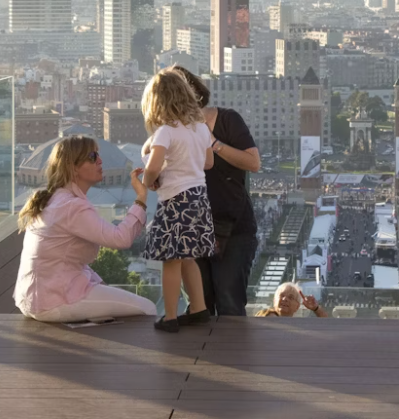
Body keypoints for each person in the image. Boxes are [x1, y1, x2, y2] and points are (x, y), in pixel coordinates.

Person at [14, 135, 157, 323]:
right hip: (53, 301)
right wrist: (141, 198)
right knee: (148, 308)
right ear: (73, 168)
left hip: (34, 299)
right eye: (92, 157)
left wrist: (100, 284)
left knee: (113, 305)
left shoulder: (56, 199)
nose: (100, 160)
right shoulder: (72, 206)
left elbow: (64, 262)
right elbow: (121, 238)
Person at [173, 66, 260, 317]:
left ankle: (231, 357)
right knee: (199, 305)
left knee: (229, 303)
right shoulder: (172, 131)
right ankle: (200, 357)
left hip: (232, 230)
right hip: (191, 228)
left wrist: (213, 142)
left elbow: (253, 163)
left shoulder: (227, 120)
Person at [139, 69, 215, 333]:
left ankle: (170, 316)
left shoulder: (165, 131)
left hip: (175, 200)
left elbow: (152, 167)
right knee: (189, 257)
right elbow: (209, 162)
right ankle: (199, 308)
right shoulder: (200, 128)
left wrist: (148, 182)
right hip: (199, 198)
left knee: (171, 260)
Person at [256, 282, 329, 317]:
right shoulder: (264, 316)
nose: (285, 299)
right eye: (282, 295)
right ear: (274, 300)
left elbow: (327, 326)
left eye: (290, 297)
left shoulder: (301, 327)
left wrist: (316, 309)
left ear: (297, 306)